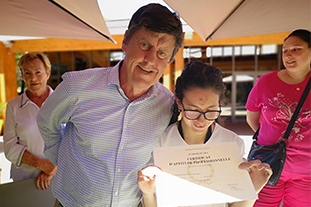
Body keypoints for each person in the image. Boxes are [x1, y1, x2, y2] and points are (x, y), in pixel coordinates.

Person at [36, 3, 183, 207]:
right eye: (144, 45)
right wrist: (64, 160)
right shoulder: (76, 87)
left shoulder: (168, 105)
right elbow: (46, 122)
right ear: (125, 41)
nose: (150, 60)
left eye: (162, 53)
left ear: (170, 59)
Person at [137, 61, 272, 207]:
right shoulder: (160, 143)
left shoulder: (231, 143)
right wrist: (148, 193)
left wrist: (253, 188)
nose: (202, 120)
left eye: (211, 110)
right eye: (193, 110)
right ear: (179, 102)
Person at [246, 29, 311, 207]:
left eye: (296, 49)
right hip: (266, 167)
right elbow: (253, 120)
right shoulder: (266, 82)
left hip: (307, 174)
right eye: (285, 50)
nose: (288, 55)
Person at [3, 52, 57, 190]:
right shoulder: (13, 106)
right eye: (27, 73)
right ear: (22, 75)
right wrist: (41, 165)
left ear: (48, 73)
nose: (33, 78)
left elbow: (73, 140)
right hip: (25, 180)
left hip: (60, 177)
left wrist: (52, 170)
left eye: (38, 72)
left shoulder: (61, 102)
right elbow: (9, 148)